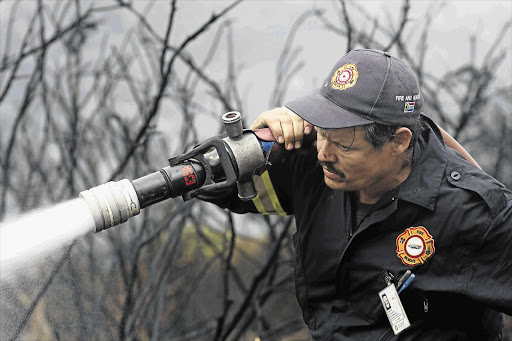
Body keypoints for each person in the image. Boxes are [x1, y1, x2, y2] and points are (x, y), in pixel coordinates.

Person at [204, 49, 512, 340]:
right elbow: (206, 180)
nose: (324, 154)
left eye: (344, 145)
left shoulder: (474, 213)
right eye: (322, 132)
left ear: (399, 141)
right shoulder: (312, 165)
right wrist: (252, 143)